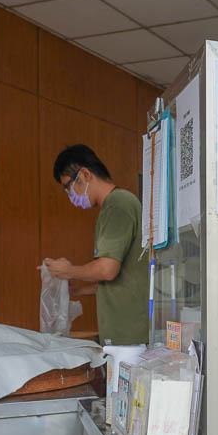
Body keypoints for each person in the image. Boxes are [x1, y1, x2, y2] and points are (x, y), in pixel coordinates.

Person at [43, 144, 149, 346]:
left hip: (131, 335)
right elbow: (120, 277)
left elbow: (107, 270)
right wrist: (79, 291)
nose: (70, 195)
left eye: (68, 187)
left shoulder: (118, 204)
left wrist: (69, 271)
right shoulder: (110, 208)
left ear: (84, 174)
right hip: (122, 333)